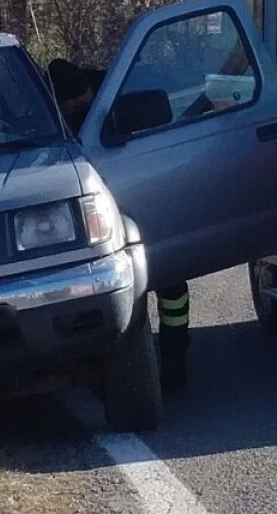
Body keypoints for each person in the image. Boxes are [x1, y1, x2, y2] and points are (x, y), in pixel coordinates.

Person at [44, 57, 188, 392]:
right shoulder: (45, 109)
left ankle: (176, 355)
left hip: (138, 194)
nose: (73, 110)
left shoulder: (117, 91)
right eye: (68, 107)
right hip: (90, 214)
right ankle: (105, 367)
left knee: (169, 280)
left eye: (77, 104)